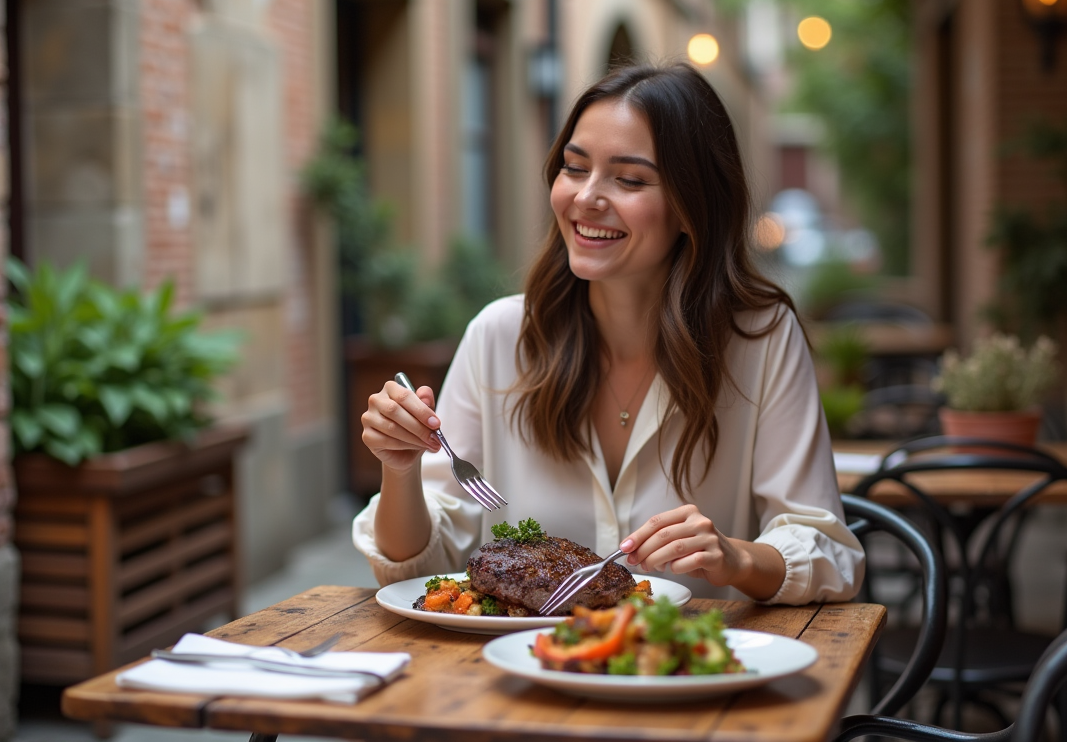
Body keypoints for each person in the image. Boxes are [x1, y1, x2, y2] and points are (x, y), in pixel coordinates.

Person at [354, 62, 864, 604]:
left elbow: (829, 552)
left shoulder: (760, 340)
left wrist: (736, 558)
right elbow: (420, 564)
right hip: (509, 675)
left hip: (680, 674)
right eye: (574, 168)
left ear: (693, 206)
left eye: (629, 179)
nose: (586, 197)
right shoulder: (500, 336)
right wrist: (400, 471)